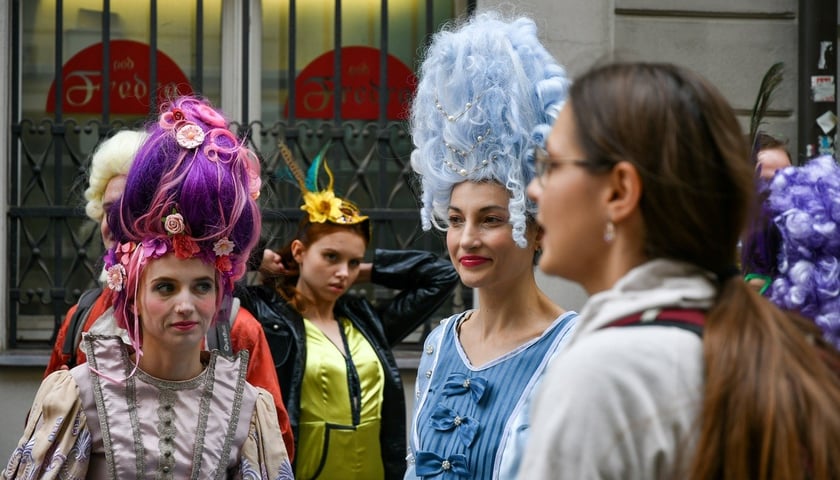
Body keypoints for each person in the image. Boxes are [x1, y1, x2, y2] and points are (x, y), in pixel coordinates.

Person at [520, 62, 840, 479]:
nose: (533, 188)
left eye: (552, 165)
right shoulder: (779, 346)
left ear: (619, 190)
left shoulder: (605, 376)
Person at [3, 96, 293, 479]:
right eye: (165, 288)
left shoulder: (248, 406)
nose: (186, 304)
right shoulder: (79, 392)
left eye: (202, 286)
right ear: (134, 295)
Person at [403, 13, 577, 479]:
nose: (467, 239)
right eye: (456, 220)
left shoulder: (573, 347)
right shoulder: (440, 344)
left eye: (492, 219)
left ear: (536, 229)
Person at [238, 145, 458, 480]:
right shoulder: (268, 314)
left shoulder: (364, 320)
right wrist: (260, 258)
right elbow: (215, 271)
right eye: (331, 257)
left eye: (352, 262)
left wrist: (366, 269)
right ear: (299, 251)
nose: (343, 272)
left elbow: (441, 276)